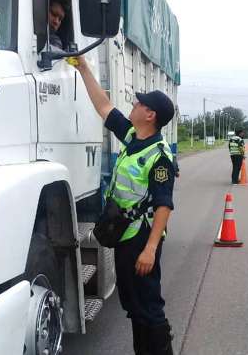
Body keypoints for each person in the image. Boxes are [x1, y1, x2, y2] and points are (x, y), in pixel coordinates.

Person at [73, 56, 175, 354]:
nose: (134, 103)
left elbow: (163, 206)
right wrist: (83, 68)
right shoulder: (132, 137)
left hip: (141, 239)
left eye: (139, 103)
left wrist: (150, 249)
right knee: (132, 306)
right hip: (124, 236)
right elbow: (104, 106)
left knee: (149, 307)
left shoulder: (159, 156)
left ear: (150, 115)